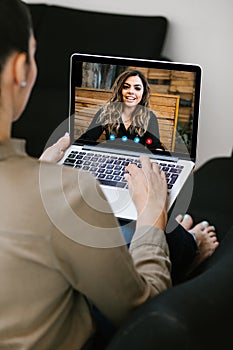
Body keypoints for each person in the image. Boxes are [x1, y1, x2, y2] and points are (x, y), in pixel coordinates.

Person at [0, 1, 171, 349]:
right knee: (170, 232)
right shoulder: (67, 193)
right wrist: (152, 217)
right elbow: (141, 312)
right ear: (21, 68)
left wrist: (41, 175)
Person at [77, 69, 165, 151]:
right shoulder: (106, 112)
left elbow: (154, 147)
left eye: (137, 88)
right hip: (109, 162)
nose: (131, 91)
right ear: (120, 90)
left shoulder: (149, 117)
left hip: (136, 164)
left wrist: (160, 154)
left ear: (143, 93)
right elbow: (88, 139)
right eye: (126, 87)